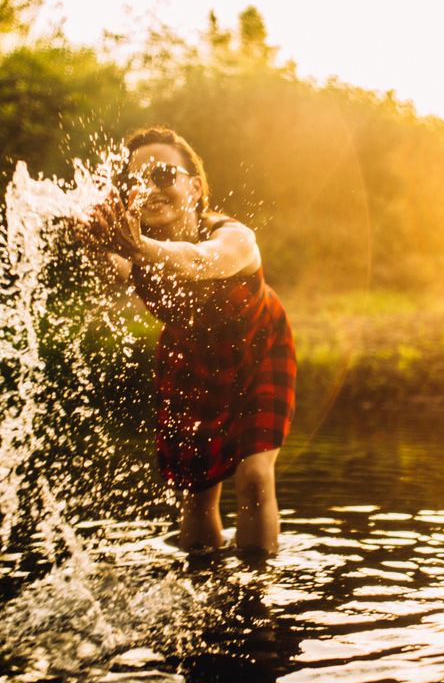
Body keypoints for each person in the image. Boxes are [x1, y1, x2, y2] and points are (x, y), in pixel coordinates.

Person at [86, 127, 295, 556]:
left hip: (261, 349)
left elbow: (201, 261)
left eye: (163, 174)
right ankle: (203, 589)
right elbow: (112, 266)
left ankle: (257, 597)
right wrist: (89, 241)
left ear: (195, 186)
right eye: (135, 180)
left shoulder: (235, 237)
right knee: (198, 490)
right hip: (188, 358)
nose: (149, 187)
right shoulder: (131, 248)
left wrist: (140, 248)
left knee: (254, 478)